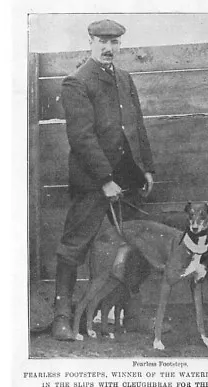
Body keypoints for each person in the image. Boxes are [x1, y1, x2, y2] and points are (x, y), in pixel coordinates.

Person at [52, 19, 156, 340]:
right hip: (92, 182)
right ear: (91, 42)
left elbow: (136, 128)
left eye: (114, 42)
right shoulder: (77, 82)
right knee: (74, 247)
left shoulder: (124, 79)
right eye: (102, 41)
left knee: (136, 245)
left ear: (120, 44)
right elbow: (81, 137)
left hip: (128, 180)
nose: (109, 48)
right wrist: (104, 180)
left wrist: (146, 169)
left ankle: (131, 315)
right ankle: (62, 319)